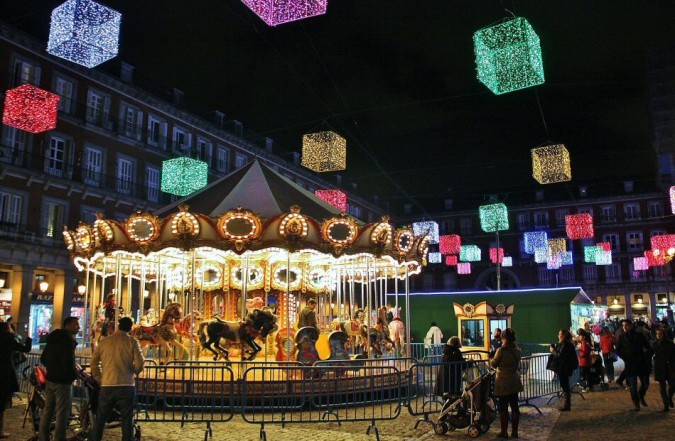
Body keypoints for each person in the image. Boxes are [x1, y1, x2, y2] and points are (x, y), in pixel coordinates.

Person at [90, 317, 144, 441]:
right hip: (126, 384)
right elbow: (140, 363)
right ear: (131, 328)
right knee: (127, 417)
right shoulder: (132, 341)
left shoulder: (105, 341)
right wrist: (133, 372)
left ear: (118, 326)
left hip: (107, 384)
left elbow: (94, 362)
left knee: (101, 417)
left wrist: (99, 378)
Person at [39, 316, 80, 441]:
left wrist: (52, 368)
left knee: (48, 410)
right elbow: (68, 361)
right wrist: (73, 375)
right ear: (67, 325)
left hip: (51, 378)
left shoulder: (53, 339)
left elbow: (43, 358)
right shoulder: (68, 341)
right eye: (76, 324)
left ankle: (43, 436)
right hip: (63, 381)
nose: (78, 327)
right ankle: (59, 438)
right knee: (62, 412)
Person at [0, 321, 32, 438]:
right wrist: (28, 337)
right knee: (2, 402)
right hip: (5, 373)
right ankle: (0, 430)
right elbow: (26, 348)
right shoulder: (8, 338)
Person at [491, 328, 523, 439]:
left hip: (503, 382)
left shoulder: (501, 350)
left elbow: (494, 364)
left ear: (504, 338)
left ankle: (504, 431)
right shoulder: (517, 350)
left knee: (503, 408)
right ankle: (515, 432)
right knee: (515, 407)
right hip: (514, 381)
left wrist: (492, 359)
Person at [615, 318, 652, 411]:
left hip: (641, 362)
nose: (624, 327)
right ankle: (636, 403)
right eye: (623, 326)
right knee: (632, 385)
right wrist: (625, 357)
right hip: (630, 363)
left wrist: (646, 355)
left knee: (645, 384)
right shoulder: (622, 338)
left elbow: (648, 347)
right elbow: (618, 350)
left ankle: (641, 395)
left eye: (626, 325)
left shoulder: (639, 335)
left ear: (631, 326)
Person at [549, 329, 578, 411]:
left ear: (564, 335)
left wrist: (553, 351)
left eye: (560, 334)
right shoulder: (564, 344)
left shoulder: (566, 345)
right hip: (563, 367)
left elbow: (560, 355)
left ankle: (567, 405)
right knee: (565, 385)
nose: (558, 335)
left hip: (564, 368)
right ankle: (567, 404)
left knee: (565, 385)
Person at [652, 328, 675, 412]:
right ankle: (666, 404)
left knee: (672, 385)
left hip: (670, 367)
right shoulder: (654, 344)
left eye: (660, 334)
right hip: (659, 367)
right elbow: (649, 353)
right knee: (662, 387)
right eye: (657, 334)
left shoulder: (670, 344)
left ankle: (669, 398)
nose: (658, 335)